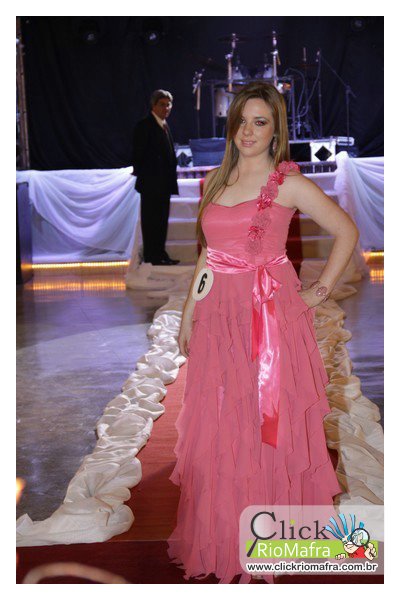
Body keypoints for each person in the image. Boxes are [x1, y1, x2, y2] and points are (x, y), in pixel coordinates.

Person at [167, 81, 359, 584]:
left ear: (276, 130)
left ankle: (270, 535)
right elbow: (209, 256)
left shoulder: (287, 183)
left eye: (260, 122)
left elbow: (346, 230)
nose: (248, 132)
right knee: (224, 425)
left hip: (268, 319)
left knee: (265, 426)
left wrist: (318, 292)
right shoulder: (217, 179)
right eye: (241, 121)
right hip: (218, 319)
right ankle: (227, 531)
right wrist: (188, 313)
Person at [132, 89, 180, 265]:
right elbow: (138, 154)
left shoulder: (163, 125)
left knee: (161, 220)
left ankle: (160, 253)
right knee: (151, 221)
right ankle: (152, 256)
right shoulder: (145, 125)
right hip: (151, 184)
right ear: (153, 105)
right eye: (162, 104)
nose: (166, 108)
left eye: (168, 104)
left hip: (163, 183)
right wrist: (150, 175)